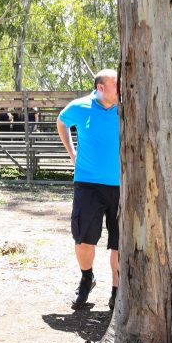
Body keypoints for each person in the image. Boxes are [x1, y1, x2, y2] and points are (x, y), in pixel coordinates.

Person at [56, 69, 121, 312]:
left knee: (120, 243)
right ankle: (86, 278)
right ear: (101, 88)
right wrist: (71, 153)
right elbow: (61, 122)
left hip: (122, 185)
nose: (121, 88)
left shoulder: (126, 107)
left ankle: (117, 291)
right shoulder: (80, 106)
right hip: (88, 184)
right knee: (83, 239)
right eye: (116, 84)